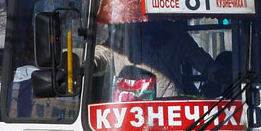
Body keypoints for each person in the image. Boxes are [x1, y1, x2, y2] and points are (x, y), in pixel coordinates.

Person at [94, 18, 226, 101]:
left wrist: (219, 74)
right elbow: (104, 52)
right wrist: (92, 63)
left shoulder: (173, 32)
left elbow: (198, 58)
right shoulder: (124, 32)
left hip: (169, 106)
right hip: (132, 106)